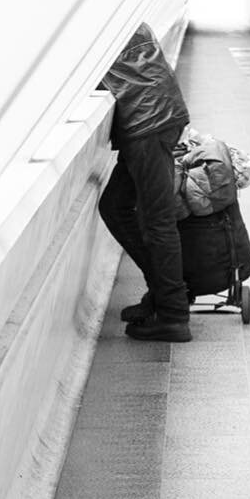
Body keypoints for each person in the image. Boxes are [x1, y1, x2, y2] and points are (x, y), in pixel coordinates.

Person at [96, 23, 193, 342]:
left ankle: (173, 315)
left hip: (147, 123)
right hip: (155, 115)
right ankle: (163, 292)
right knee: (115, 205)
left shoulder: (92, 15)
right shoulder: (118, 7)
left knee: (158, 222)